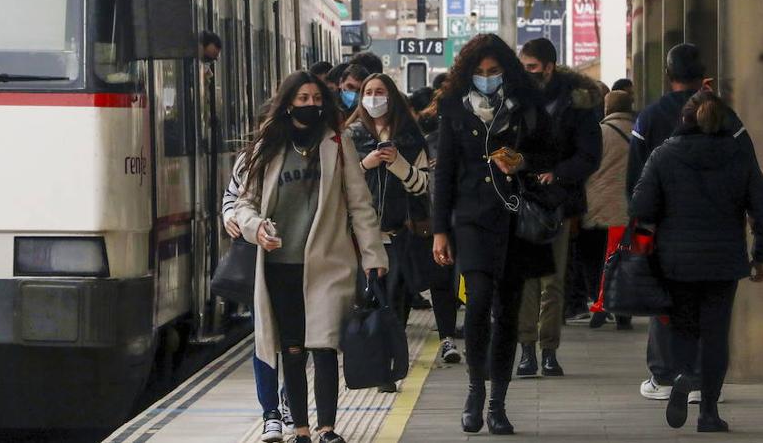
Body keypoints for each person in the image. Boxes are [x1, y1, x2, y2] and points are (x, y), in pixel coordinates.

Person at [235, 71, 388, 443]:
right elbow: (245, 204)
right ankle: (300, 429)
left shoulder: (338, 143)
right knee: (291, 347)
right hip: (279, 264)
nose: (310, 106)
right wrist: (257, 229)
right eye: (302, 99)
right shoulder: (267, 147)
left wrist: (373, 255)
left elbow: (360, 204)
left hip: (328, 262)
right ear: (288, 103)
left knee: (324, 344)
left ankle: (327, 428)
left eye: (316, 99)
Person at [431, 33, 558, 435]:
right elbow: (444, 171)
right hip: (471, 218)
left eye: (494, 71)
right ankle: (474, 391)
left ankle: (498, 403)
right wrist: (439, 231)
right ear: (468, 74)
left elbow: (553, 153)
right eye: (480, 72)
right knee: (479, 301)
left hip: (515, 218)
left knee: (508, 310)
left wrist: (522, 161)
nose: (487, 78)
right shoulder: (454, 108)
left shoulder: (528, 106)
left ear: (507, 71)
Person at [630, 91, 763, 432]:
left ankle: (684, 374)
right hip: (724, 261)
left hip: (675, 261)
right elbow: (762, 208)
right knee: (716, 334)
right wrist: (762, 256)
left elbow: (640, 207)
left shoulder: (664, 155)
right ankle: (708, 411)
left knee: (683, 327)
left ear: (684, 119)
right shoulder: (739, 156)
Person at [347, 73, 460, 366]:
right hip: (364, 233)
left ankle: (394, 359)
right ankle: (381, 357)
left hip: (404, 230)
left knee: (399, 293)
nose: (374, 97)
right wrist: (365, 164)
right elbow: (339, 185)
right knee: (373, 296)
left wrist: (397, 163)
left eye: (380, 91)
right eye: (368, 92)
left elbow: (422, 185)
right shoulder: (352, 136)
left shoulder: (410, 137)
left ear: (392, 97)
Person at [515, 38, 603, 378]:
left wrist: (560, 174)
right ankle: (526, 349)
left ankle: (548, 349)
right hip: (522, 199)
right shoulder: (515, 100)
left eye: (532, 68)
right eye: (523, 67)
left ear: (549, 67)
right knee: (525, 280)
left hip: (558, 202)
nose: (527, 74)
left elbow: (590, 154)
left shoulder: (577, 102)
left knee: (553, 280)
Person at [222, 165, 288, 441]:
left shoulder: (312, 149)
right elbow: (232, 195)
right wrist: (228, 216)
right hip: (258, 263)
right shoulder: (251, 157)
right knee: (263, 337)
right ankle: (271, 412)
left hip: (301, 259)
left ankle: (290, 399)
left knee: (297, 339)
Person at [581, 90, 635, 330]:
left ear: (607, 108)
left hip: (597, 208)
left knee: (594, 261)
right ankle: (623, 310)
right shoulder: (639, 132)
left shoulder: (598, 133)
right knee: (623, 261)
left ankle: (599, 304)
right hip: (627, 209)